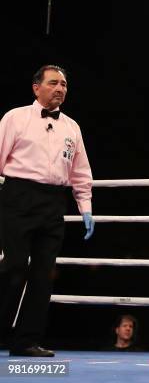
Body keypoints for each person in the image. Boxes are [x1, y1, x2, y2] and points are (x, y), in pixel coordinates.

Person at [0, 65, 94, 357]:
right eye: (54, 83)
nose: (60, 88)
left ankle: (26, 341)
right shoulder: (15, 118)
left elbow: (80, 172)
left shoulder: (72, 127)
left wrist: (85, 206)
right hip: (18, 196)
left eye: (64, 84)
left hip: (54, 202)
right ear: (36, 87)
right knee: (14, 267)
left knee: (43, 275)